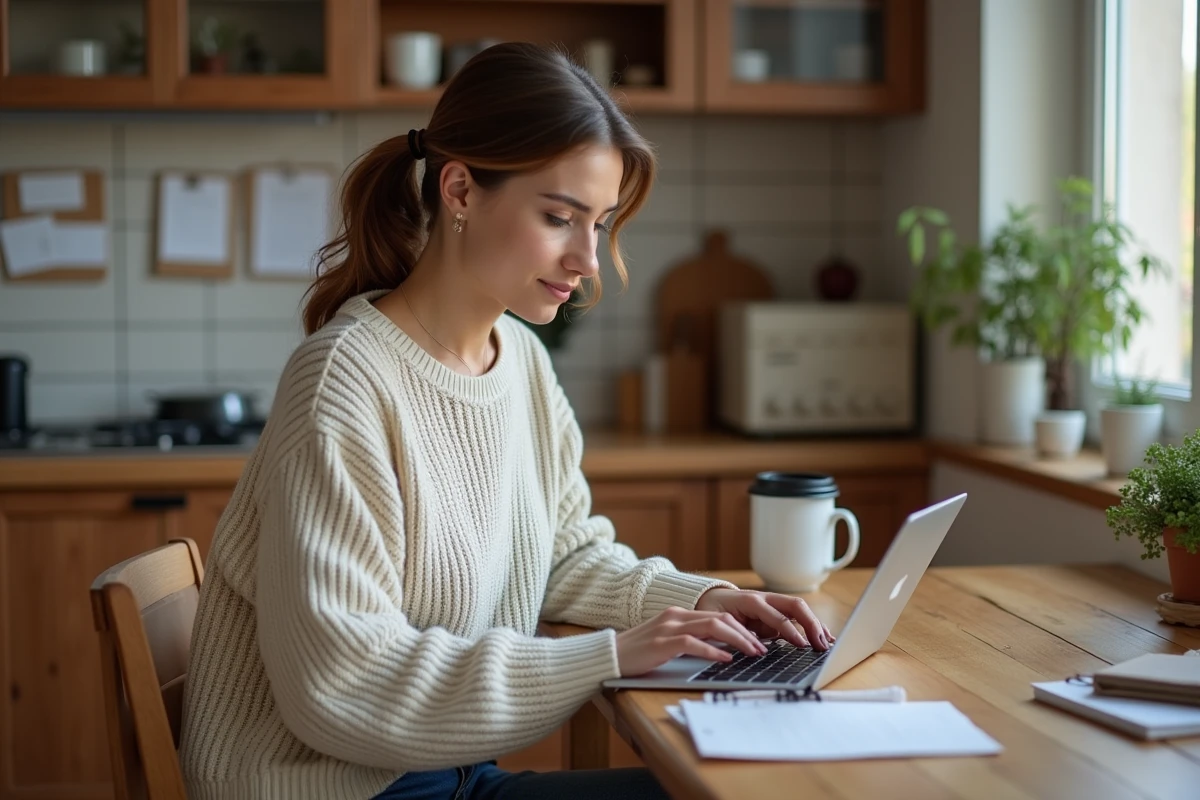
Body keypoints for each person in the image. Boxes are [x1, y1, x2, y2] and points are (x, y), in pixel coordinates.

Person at [178, 42, 835, 800]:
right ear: (459, 190)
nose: (587, 258)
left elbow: (559, 554)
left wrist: (703, 600)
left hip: (447, 776)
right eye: (560, 217)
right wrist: (612, 656)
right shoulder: (344, 382)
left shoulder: (517, 356)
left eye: (600, 223)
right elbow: (341, 684)